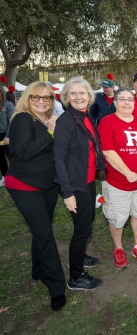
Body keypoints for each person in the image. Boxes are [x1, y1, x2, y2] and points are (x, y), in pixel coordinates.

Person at [5, 82, 66, 310]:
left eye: (47, 98)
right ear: (27, 98)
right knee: (45, 234)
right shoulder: (23, 118)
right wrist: (51, 132)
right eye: (36, 97)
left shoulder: (46, 119)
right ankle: (57, 288)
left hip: (47, 185)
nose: (41, 101)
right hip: (24, 185)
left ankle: (38, 269)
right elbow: (23, 152)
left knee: (41, 230)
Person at [98, 88, 137, 270]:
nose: (126, 103)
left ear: (134, 102)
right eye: (121, 99)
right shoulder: (107, 122)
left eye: (129, 99)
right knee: (117, 219)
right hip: (117, 183)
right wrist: (128, 173)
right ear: (114, 103)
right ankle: (118, 248)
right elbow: (108, 151)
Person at [54, 76, 103, 290]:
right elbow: (58, 158)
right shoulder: (66, 120)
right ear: (66, 97)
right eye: (73, 93)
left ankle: (79, 257)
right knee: (82, 229)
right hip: (75, 184)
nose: (78, 97)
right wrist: (67, 193)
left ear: (89, 96)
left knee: (87, 221)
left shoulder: (85, 116)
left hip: (88, 180)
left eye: (82, 93)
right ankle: (75, 277)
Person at [0, 84, 14, 186]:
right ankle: (5, 176)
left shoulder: (8, 105)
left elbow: (11, 121)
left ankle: (16, 176)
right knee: (0, 158)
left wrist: (8, 136)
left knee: (11, 156)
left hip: (5, 135)